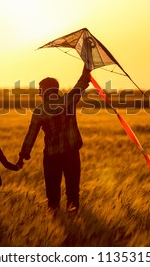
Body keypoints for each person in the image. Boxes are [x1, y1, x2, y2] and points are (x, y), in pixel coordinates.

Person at [17, 65, 91, 213]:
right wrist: (87, 66)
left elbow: (31, 135)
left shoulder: (39, 111)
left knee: (52, 192)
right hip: (71, 154)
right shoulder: (69, 100)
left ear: (46, 90)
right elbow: (82, 83)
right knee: (73, 190)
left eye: (40, 89)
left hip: (51, 156)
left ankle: (54, 216)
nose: (39, 93)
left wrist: (23, 156)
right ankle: (73, 214)